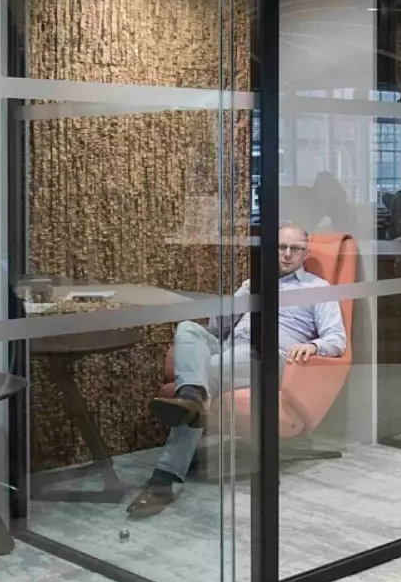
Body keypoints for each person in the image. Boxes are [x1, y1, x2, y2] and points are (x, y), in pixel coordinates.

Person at [130, 222, 345, 519]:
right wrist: (240, 297)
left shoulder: (317, 289)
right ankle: (191, 393)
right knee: (189, 329)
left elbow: (337, 339)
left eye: (294, 249)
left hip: (266, 356)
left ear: (305, 253)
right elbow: (218, 328)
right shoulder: (254, 283)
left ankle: (162, 481)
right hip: (231, 345)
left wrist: (314, 346)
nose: (285, 254)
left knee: (210, 373)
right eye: (280, 248)